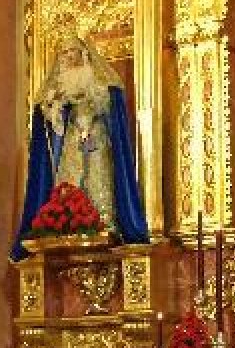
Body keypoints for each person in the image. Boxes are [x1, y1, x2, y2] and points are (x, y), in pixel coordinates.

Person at [12, 36, 149, 260]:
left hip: (96, 138)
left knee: (98, 176)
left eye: (71, 52)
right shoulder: (60, 86)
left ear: (82, 53)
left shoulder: (99, 80)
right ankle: (70, 221)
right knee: (71, 179)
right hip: (73, 141)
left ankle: (103, 220)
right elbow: (53, 125)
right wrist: (52, 106)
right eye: (63, 54)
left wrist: (90, 95)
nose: (67, 57)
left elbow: (108, 106)